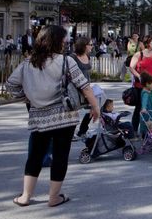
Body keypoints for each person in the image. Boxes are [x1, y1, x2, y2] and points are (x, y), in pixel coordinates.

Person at [7, 25, 100, 207]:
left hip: (38, 117)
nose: (66, 42)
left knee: (35, 156)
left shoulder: (28, 63)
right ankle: (53, 197)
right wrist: (95, 106)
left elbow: (10, 85)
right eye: (63, 39)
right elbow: (84, 86)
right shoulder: (66, 61)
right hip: (65, 116)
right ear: (57, 41)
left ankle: (26, 196)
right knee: (60, 155)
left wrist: (26, 96)